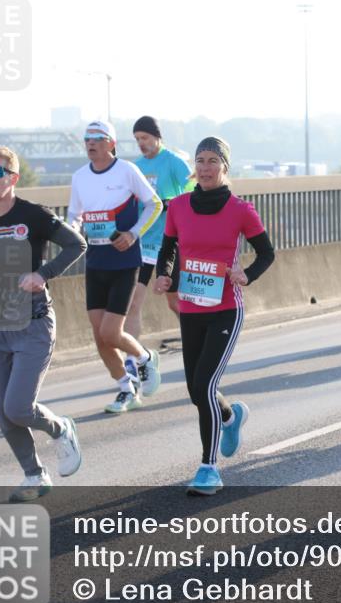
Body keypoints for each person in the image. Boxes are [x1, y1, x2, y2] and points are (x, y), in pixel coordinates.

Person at [0, 147, 87, 503]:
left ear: (13, 178)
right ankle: (35, 474)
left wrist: (43, 274)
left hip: (33, 322)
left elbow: (77, 244)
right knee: (3, 412)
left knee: (19, 408)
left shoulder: (34, 215)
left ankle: (60, 428)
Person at [154, 137, 275, 494]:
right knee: (196, 390)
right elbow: (168, 248)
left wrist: (246, 275)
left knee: (204, 385)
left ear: (224, 166)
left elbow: (267, 253)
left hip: (225, 310)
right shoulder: (178, 206)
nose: (205, 167)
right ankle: (230, 417)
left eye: (212, 161)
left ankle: (209, 469)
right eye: (200, 160)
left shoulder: (240, 210)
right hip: (190, 308)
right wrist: (164, 274)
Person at [67, 120, 164, 413]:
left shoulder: (127, 170)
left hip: (124, 260)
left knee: (111, 332)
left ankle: (145, 358)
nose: (91, 143)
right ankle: (126, 389)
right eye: (87, 138)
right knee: (100, 337)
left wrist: (133, 233)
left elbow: (155, 204)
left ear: (111, 143)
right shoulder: (79, 177)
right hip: (96, 261)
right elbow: (75, 215)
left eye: (98, 138)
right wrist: (72, 230)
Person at [127, 115, 192, 339]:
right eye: (137, 139)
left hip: (169, 243)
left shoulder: (173, 161)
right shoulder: (136, 167)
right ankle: (133, 355)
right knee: (133, 303)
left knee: (174, 302)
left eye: (145, 137)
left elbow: (194, 189)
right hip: (143, 242)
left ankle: (194, 337)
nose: (141, 143)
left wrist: (170, 203)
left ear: (157, 137)